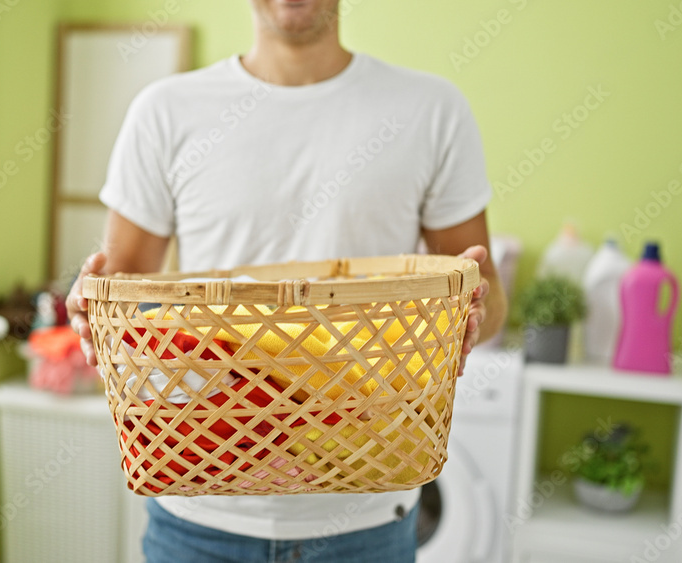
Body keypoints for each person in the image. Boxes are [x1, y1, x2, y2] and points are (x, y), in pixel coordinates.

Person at [67, 0, 508, 561]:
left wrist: (471, 319)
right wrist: (90, 308)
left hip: (368, 515)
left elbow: (486, 298)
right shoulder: (165, 112)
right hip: (197, 513)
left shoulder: (431, 109)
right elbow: (121, 291)